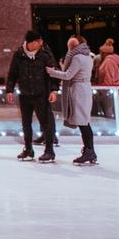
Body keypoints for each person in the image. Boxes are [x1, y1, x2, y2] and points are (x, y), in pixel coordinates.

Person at [4, 30, 58, 163]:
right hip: (25, 94)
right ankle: (28, 149)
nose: (41, 43)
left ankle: (49, 151)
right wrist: (9, 90)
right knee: (26, 123)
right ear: (32, 43)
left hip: (41, 94)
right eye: (39, 41)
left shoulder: (45, 54)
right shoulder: (19, 54)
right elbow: (12, 73)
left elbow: (53, 73)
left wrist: (53, 90)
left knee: (46, 122)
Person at [48, 36, 97, 166]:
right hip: (83, 89)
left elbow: (68, 75)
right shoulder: (88, 57)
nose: (69, 48)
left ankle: (89, 151)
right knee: (84, 122)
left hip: (78, 90)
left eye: (72, 45)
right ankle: (90, 151)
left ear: (78, 45)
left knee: (83, 123)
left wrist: (51, 72)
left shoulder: (77, 58)